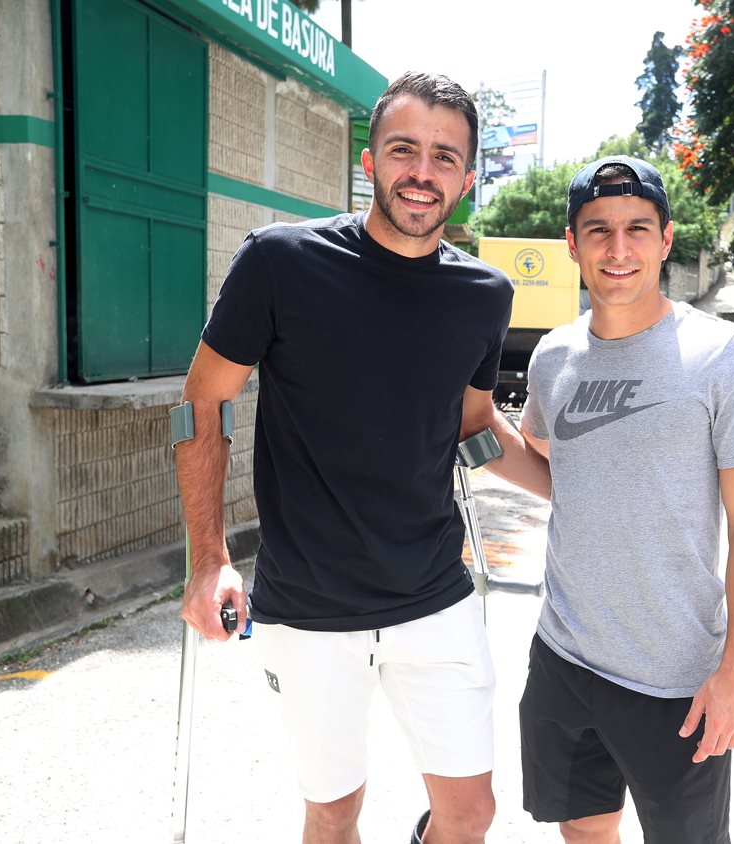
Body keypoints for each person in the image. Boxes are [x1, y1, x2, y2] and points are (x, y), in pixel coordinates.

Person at [174, 71, 550, 844]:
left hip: (435, 595)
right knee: (335, 812)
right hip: (310, 606)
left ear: (469, 178)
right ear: (371, 160)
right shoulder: (281, 261)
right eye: (404, 149)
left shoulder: (484, 292)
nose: (423, 171)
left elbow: (471, 425)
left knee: (470, 813)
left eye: (445, 157)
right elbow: (200, 403)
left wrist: (564, 490)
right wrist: (207, 559)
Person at [517, 156, 734, 844]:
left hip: (678, 683)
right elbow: (560, 469)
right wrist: (465, 417)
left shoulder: (723, 354)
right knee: (582, 831)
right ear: (572, 245)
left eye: (638, 227)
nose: (618, 248)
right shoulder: (552, 357)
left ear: (665, 240)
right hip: (565, 657)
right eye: (598, 229)